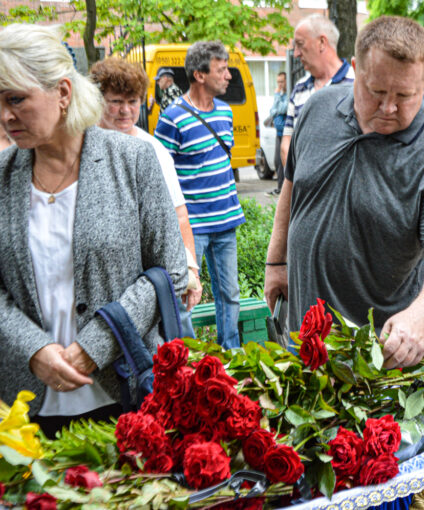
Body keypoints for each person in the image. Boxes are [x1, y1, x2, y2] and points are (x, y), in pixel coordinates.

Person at [0, 24, 187, 436]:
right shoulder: (2, 177)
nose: (4, 116)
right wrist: (33, 351)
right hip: (25, 412)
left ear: (63, 92)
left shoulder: (133, 160)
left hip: (126, 394)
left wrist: (96, 345)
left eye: (15, 99)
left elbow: (171, 271)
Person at [264, 15, 424, 369]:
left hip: (379, 354)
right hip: (305, 337)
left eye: (405, 95)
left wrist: (421, 315)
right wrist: (277, 261)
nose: (389, 107)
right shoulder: (318, 108)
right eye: (376, 91)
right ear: (357, 69)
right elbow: (292, 184)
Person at [89, 58, 202, 336]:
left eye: (133, 101)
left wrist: (192, 271)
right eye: (116, 101)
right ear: (96, 100)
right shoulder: (79, 147)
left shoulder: (153, 150)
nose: (126, 111)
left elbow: (179, 214)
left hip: (154, 279)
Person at [155, 41, 245, 350]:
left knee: (230, 294)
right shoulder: (172, 117)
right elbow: (159, 174)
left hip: (226, 220)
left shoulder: (225, 112)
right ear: (199, 75)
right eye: (221, 70)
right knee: (185, 298)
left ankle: (230, 357)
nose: (228, 76)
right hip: (190, 227)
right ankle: (194, 361)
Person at [279, 14, 355, 168]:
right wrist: (300, 183)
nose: (296, 54)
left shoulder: (357, 83)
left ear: (322, 43)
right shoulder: (299, 89)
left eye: (300, 44)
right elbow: (286, 143)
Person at [265, 71, 289, 197]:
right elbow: (272, 110)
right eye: (278, 82)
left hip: (286, 132)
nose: (279, 84)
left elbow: (283, 109)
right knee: (277, 161)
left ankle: (285, 189)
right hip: (278, 132)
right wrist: (277, 97)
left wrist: (277, 99)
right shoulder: (279, 95)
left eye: (281, 81)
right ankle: (280, 187)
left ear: (286, 81)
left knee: (284, 161)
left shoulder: (287, 95)